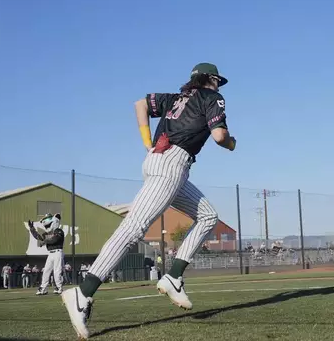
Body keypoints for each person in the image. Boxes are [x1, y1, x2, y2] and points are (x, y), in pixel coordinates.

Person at [61, 62, 236, 339]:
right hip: (172, 163)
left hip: (159, 160)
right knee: (133, 228)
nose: (219, 86)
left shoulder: (175, 98)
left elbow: (139, 104)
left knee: (208, 216)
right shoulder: (212, 97)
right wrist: (231, 143)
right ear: (211, 79)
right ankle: (82, 293)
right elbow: (219, 136)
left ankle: (173, 277)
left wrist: (146, 142)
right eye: (218, 81)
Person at [28, 213, 65, 295]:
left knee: (57, 271)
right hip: (51, 253)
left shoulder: (59, 231)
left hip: (58, 252)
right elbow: (39, 237)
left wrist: (44, 241)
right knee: (46, 271)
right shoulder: (48, 233)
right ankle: (43, 288)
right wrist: (32, 229)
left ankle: (59, 287)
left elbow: (55, 240)